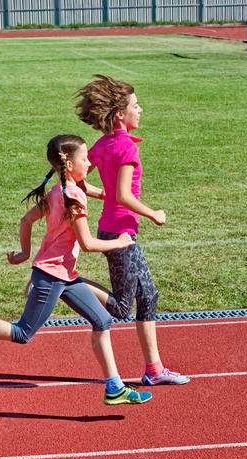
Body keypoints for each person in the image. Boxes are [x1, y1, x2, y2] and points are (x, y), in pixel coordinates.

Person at [0, 135, 152, 406]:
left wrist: (25, 252)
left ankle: (114, 387)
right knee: (23, 332)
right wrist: (120, 242)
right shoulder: (72, 198)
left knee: (102, 320)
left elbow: (27, 219)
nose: (90, 164)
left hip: (65, 274)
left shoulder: (58, 191)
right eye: (85, 159)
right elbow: (88, 244)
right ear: (68, 165)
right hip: (53, 275)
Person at [74, 74, 190, 386]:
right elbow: (125, 196)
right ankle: (67, 283)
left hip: (115, 229)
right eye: (137, 106)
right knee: (124, 307)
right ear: (121, 115)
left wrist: (101, 193)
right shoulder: (127, 149)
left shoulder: (100, 146)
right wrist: (154, 214)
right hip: (119, 234)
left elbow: (81, 181)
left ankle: (154, 370)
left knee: (148, 295)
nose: (142, 111)